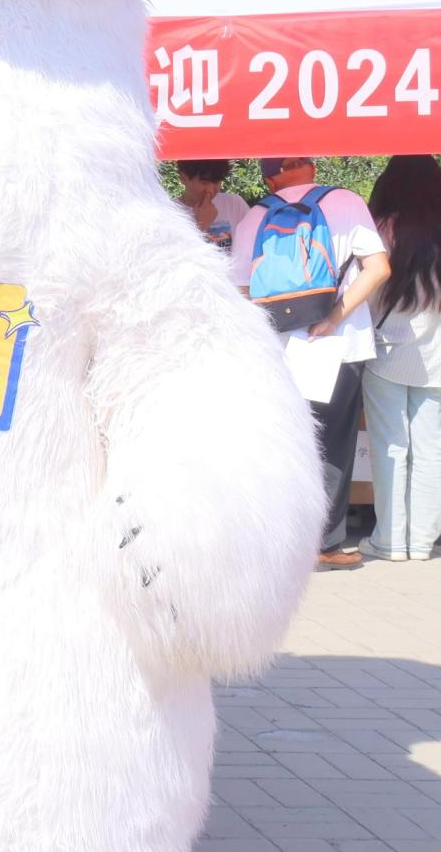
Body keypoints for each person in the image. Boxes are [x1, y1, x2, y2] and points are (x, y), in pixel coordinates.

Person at [233, 157, 390, 570]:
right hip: (341, 344)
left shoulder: (254, 217)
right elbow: (379, 268)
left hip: (278, 350)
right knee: (334, 444)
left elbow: (242, 289)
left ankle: (277, 540)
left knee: (281, 444)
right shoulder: (347, 202)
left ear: (269, 177)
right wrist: (334, 316)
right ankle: (326, 542)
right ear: (309, 165)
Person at [358, 154, 441, 561]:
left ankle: (390, 540)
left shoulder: (381, 229)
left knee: (389, 445)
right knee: (431, 450)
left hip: (386, 352)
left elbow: (368, 291)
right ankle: (423, 541)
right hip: (437, 356)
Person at [175, 159, 249, 251]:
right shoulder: (168, 212)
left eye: (216, 182)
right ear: (183, 178)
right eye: (204, 183)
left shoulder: (234, 203)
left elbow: (253, 244)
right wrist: (199, 226)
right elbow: (171, 256)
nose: (210, 190)